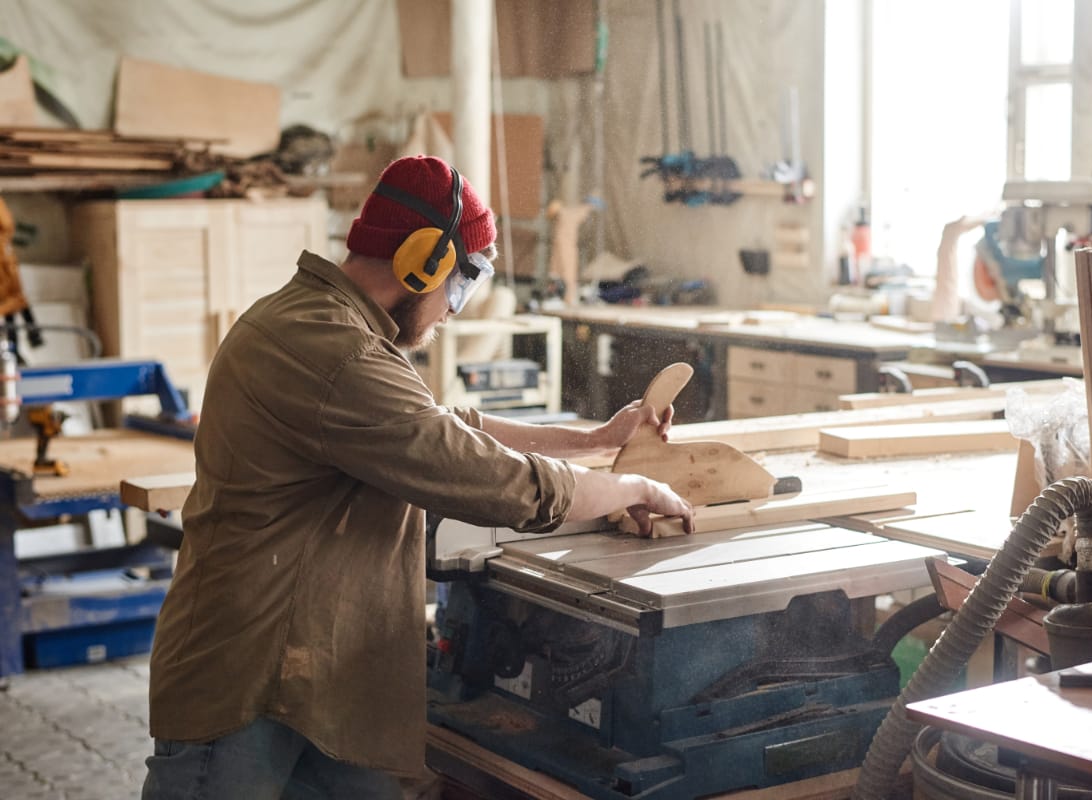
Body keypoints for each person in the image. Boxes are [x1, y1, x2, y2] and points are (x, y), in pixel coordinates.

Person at [141, 155, 694, 799]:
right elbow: (490, 479)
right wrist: (633, 489)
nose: (452, 310)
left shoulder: (318, 321)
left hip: (313, 671)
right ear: (423, 261)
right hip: (248, 680)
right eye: (460, 284)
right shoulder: (337, 353)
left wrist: (594, 439)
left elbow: (441, 425)